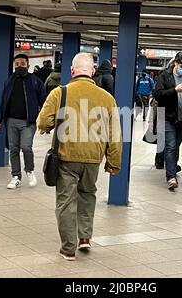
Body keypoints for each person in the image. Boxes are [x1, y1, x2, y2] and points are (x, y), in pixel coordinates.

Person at [37, 53, 122, 261]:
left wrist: (50, 127)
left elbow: (43, 122)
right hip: (93, 158)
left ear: (73, 71)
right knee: (87, 195)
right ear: (92, 71)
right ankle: (84, 237)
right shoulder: (107, 98)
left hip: (67, 157)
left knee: (66, 201)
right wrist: (114, 162)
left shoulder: (60, 93)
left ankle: (68, 248)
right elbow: (115, 134)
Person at [0, 54, 46, 189]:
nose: (19, 66)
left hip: (28, 122)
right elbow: (3, 101)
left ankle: (29, 170)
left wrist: (44, 121)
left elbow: (44, 102)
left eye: (22, 64)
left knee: (26, 147)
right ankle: (16, 177)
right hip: (11, 121)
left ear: (28, 65)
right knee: (13, 149)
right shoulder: (9, 81)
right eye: (17, 64)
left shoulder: (35, 81)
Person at [153, 51, 182, 191]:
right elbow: (158, 94)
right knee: (171, 146)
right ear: (175, 63)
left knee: (176, 146)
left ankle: (173, 166)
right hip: (167, 116)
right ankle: (171, 176)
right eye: (181, 64)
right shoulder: (164, 76)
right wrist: (174, 90)